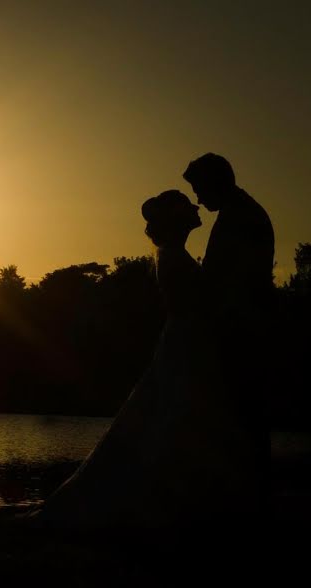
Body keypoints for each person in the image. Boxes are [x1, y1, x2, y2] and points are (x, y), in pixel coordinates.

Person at [25, 190, 256, 528]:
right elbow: (197, 304)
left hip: (185, 341)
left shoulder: (173, 254)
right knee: (168, 413)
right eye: (185, 203)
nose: (194, 206)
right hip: (186, 343)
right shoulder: (173, 257)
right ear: (176, 218)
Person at [183, 152, 275, 515]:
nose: (199, 200)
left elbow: (234, 281)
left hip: (241, 332)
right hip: (238, 329)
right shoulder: (239, 213)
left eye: (200, 189)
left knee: (243, 415)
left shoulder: (242, 217)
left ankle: (247, 500)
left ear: (216, 181)